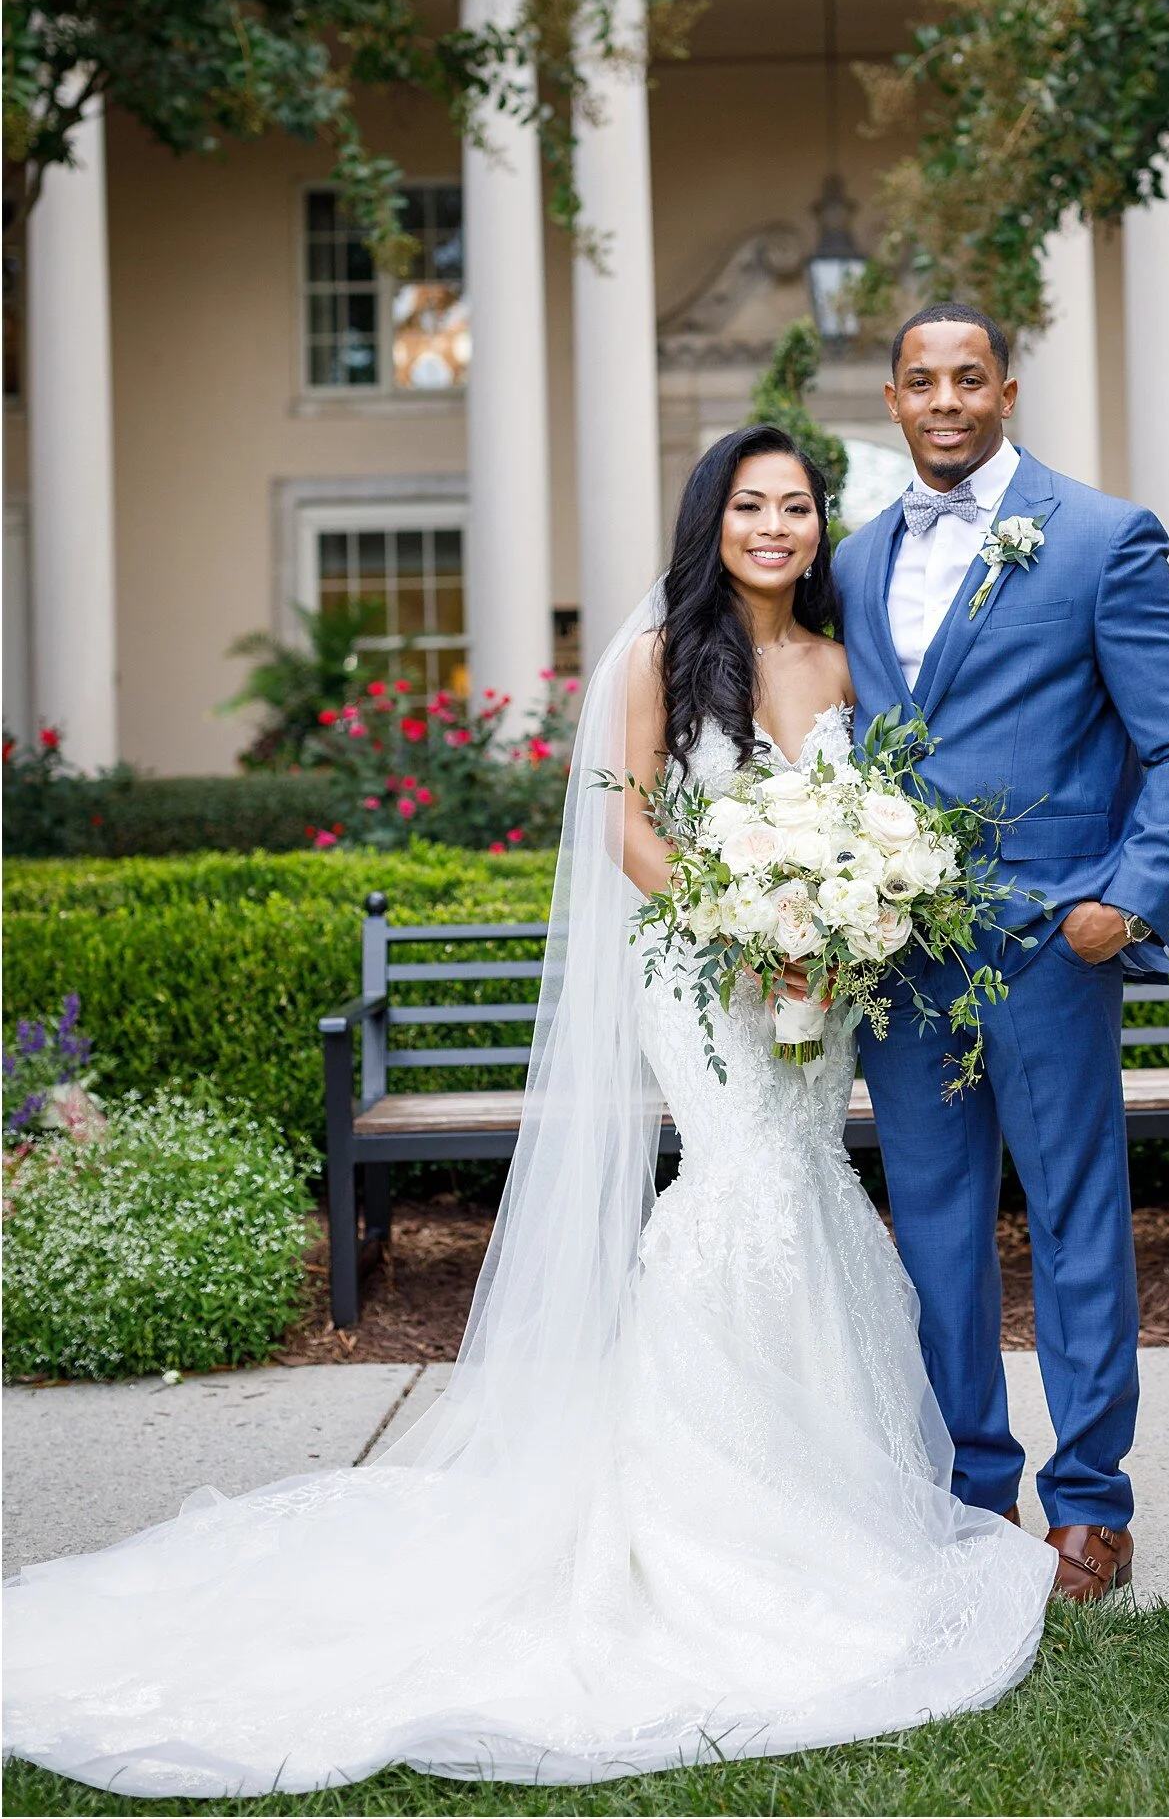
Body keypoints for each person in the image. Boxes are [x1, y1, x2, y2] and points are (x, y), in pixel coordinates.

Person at [4, 422, 1054, 1801]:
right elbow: (628, 820)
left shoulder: (844, 658)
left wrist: (844, 912)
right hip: (707, 968)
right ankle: (715, 1509)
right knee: (741, 1187)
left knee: (806, 1182)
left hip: (826, 969)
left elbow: (880, 810)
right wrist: (738, 920)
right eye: (752, 504)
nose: (778, 527)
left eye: (798, 506)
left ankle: (830, 1488)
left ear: (820, 526)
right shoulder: (661, 657)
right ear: (713, 517)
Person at [833, 304, 1169, 1604]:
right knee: (935, 1230)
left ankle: (1092, 1507)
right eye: (920, 381)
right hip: (903, 954)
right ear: (892, 400)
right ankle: (968, 1486)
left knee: (1073, 1224)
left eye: (969, 377)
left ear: (1005, 387)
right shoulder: (850, 559)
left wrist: (1128, 895)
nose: (946, 399)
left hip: (1053, 945)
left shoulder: (1104, 538)